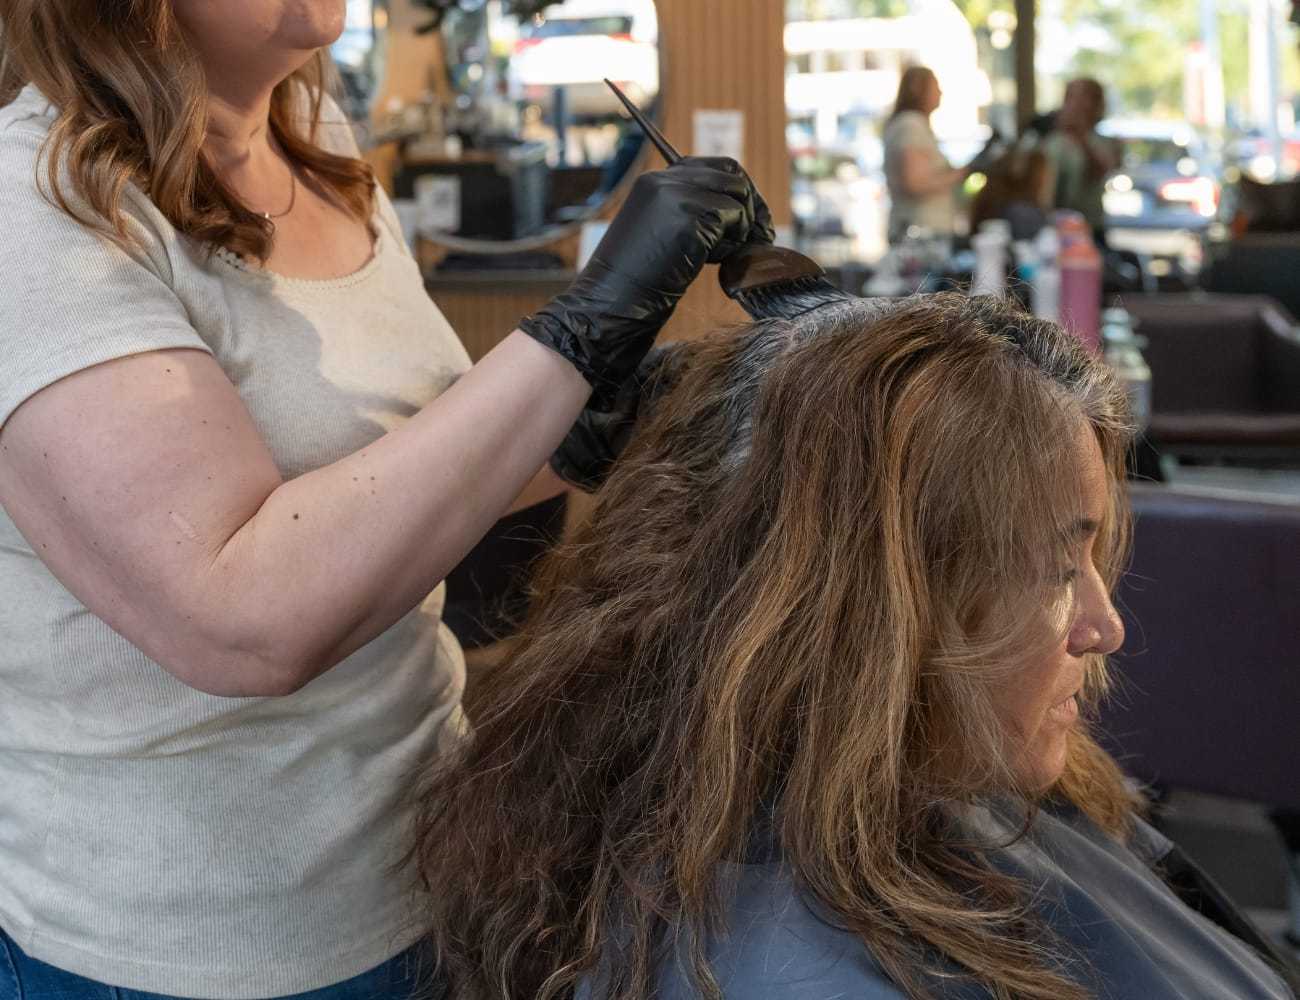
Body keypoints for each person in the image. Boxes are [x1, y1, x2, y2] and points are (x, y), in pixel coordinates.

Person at [0, 0, 772, 996]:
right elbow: (238, 619)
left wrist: (596, 422)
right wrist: (580, 331)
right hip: (202, 947)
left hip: (425, 865)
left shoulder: (314, 144)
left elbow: (395, 470)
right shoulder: (34, 209)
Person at [410, 293, 1297, 1000]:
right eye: (1058, 566)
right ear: (873, 613)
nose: (1107, 628)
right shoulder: (789, 959)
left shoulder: (967, 788)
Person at [882, 66, 968, 244]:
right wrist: (959, 174)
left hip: (922, 231)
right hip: (920, 235)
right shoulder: (911, 125)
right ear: (918, 89)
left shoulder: (913, 125)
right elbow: (915, 183)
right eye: (935, 86)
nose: (940, 92)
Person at [1036, 78, 1119, 243]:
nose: (1075, 104)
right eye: (1071, 97)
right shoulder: (1051, 140)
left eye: (1083, 97)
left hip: (1089, 229)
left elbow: (1100, 170)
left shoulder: (1103, 141)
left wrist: (1080, 135)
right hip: (1052, 227)